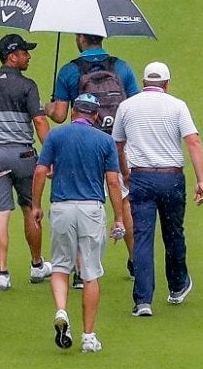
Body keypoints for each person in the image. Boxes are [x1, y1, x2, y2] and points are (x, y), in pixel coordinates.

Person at [32, 94, 131, 352]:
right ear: (96, 116)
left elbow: (41, 170)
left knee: (61, 267)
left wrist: (35, 205)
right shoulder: (104, 140)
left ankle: (62, 310)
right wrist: (119, 217)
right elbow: (112, 181)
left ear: (74, 112)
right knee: (90, 273)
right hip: (91, 209)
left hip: (62, 207)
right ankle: (88, 336)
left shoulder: (56, 136)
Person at [112, 60, 203, 316]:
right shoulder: (177, 106)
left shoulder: (126, 106)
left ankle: (143, 300)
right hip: (171, 177)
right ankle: (177, 285)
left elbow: (117, 144)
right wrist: (201, 179)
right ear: (166, 84)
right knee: (173, 233)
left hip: (140, 177)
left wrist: (125, 173)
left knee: (142, 237)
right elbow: (193, 142)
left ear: (144, 83)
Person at [0, 34, 50, 288]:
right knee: (31, 209)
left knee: (0, 214)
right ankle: (37, 265)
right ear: (12, 55)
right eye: (25, 52)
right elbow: (39, 121)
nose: (29, 56)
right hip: (24, 156)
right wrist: (51, 155)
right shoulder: (28, 86)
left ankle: (2, 274)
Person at [49, 33, 139, 126]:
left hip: (84, 136)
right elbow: (136, 107)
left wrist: (49, 109)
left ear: (82, 38)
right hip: (116, 137)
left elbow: (59, 116)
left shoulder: (68, 70)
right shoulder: (122, 67)